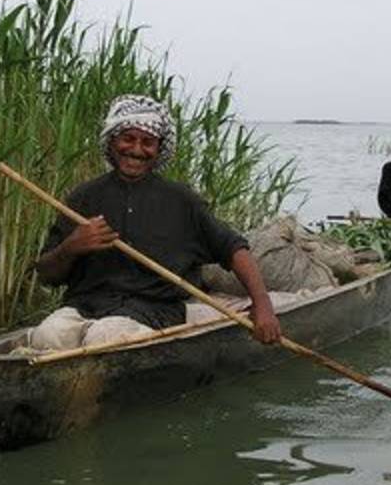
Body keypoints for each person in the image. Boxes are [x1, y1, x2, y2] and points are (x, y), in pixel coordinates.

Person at [28, 94, 282, 350]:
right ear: (112, 142)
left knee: (105, 337)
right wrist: (72, 246)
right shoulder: (83, 198)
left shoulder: (181, 200)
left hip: (154, 310)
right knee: (45, 337)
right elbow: (46, 274)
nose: (137, 150)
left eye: (148, 142)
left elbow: (235, 249)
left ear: (158, 149)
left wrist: (263, 307)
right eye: (128, 138)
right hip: (86, 306)